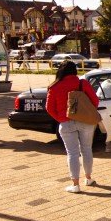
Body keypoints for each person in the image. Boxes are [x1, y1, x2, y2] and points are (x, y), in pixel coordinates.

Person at [45, 61, 100, 192]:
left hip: (66, 123)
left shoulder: (54, 87)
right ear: (75, 70)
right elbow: (95, 101)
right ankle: (88, 178)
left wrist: (61, 118)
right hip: (85, 121)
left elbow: (49, 108)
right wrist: (85, 112)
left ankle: (75, 185)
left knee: (72, 153)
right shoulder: (82, 83)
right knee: (86, 149)